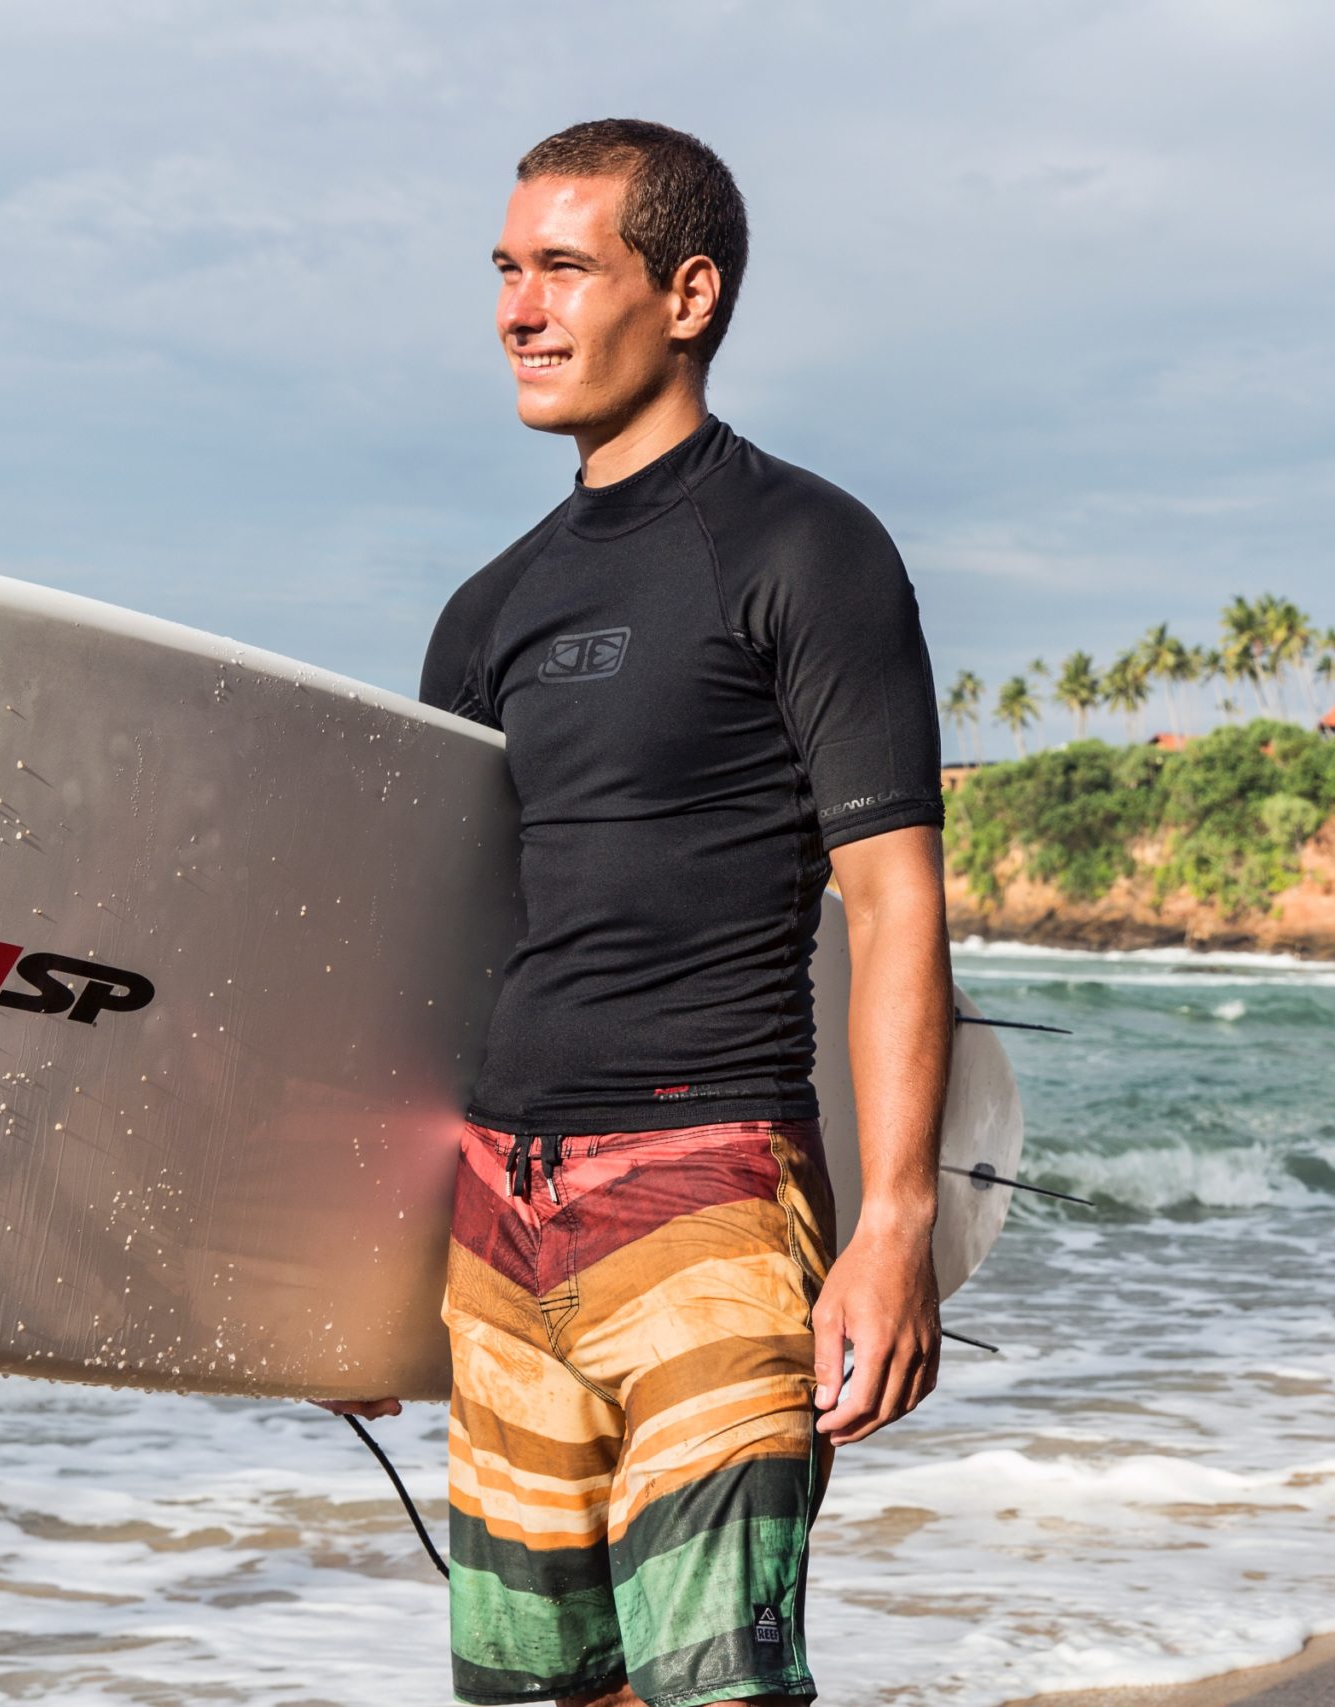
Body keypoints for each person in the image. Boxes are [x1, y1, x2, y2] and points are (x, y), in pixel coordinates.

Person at [320, 117, 952, 1707]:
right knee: (538, 1695)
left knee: (711, 1687)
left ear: (685, 294)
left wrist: (893, 1226)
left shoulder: (807, 550)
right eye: (506, 271)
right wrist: (317, 1283)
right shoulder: (490, 607)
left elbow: (893, 904)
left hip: (711, 1202)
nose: (515, 310)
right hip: (495, 1223)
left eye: (560, 267)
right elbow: (428, 955)